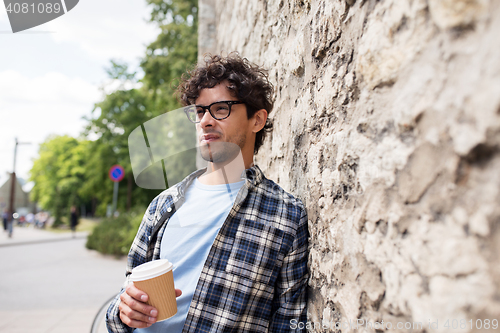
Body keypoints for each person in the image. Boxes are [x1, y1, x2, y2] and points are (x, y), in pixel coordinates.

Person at [106, 53, 309, 333]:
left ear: (257, 120)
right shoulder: (163, 204)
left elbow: (289, 323)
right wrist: (123, 310)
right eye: (200, 111)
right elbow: (122, 304)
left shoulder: (286, 215)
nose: (205, 121)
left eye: (221, 109)